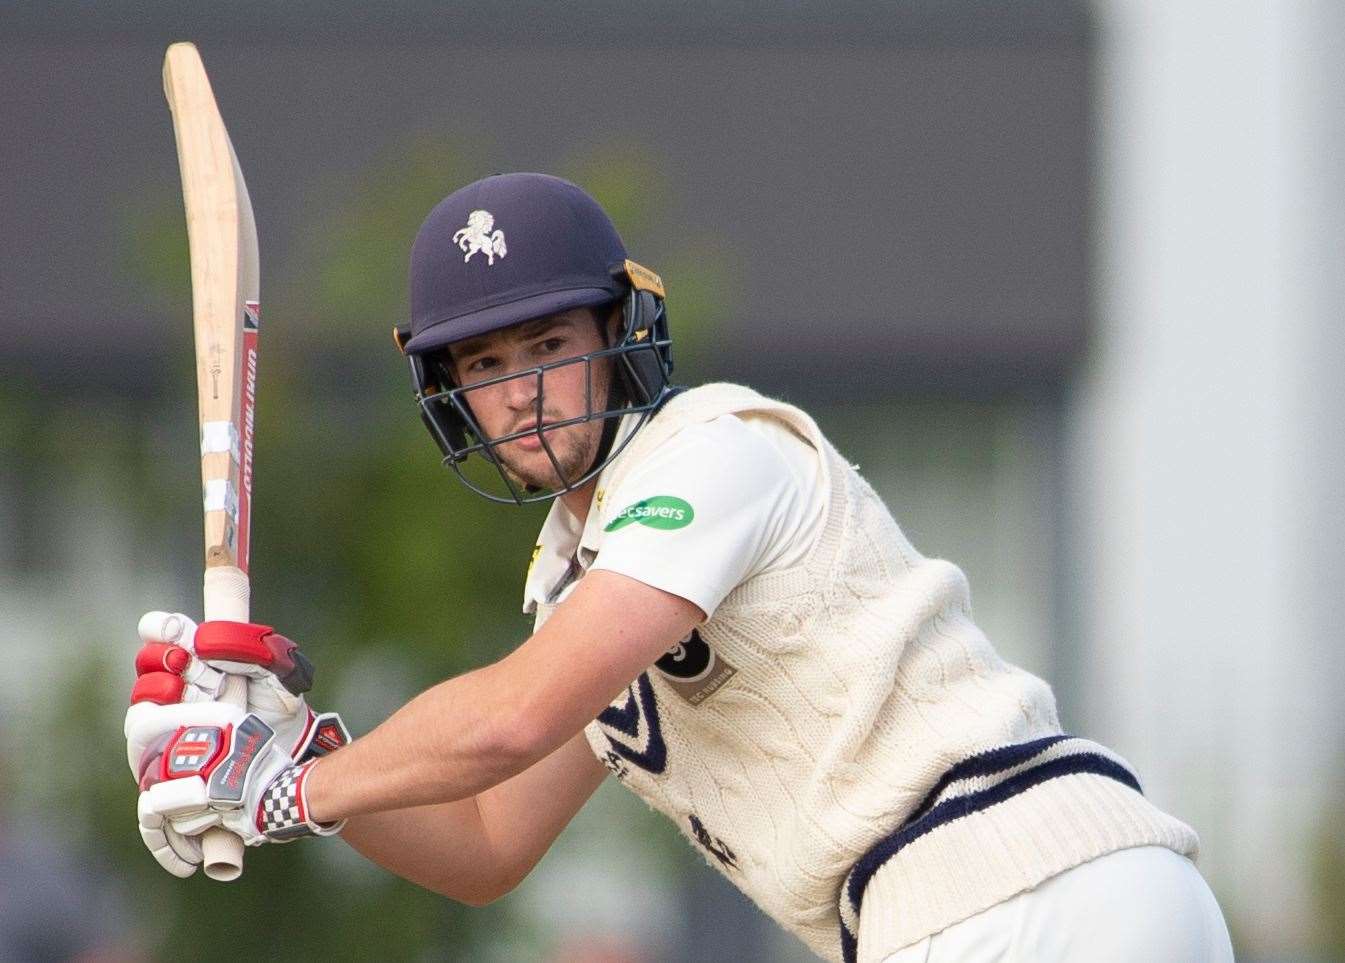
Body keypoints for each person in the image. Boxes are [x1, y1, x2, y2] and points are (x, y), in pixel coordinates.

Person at [124, 173, 1234, 962]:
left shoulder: (710, 448)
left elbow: (511, 717)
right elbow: (484, 843)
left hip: (1011, 889)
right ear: (449, 392)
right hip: (1017, 908)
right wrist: (307, 754)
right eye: (487, 362)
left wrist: (281, 790)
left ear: (621, 336)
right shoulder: (580, 580)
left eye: (550, 345)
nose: (525, 389)